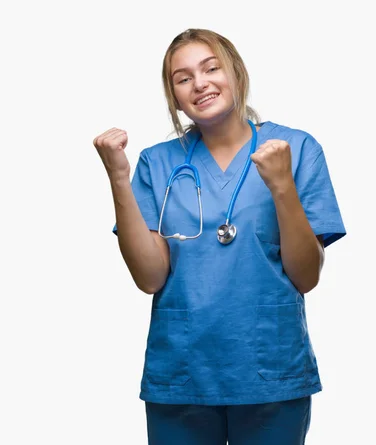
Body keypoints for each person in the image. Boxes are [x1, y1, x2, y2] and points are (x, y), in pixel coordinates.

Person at [93, 28, 346, 445]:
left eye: (211, 68)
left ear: (236, 72)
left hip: (270, 371)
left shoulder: (296, 149)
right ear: (174, 95)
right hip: (182, 371)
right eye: (183, 77)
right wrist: (118, 177)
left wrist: (282, 185)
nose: (201, 83)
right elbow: (149, 278)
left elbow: (306, 276)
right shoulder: (156, 163)